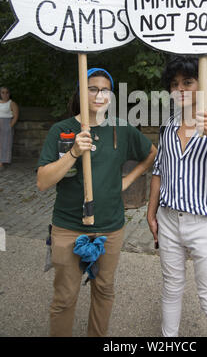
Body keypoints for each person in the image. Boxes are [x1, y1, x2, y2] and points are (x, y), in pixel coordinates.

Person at [37, 67, 157, 337]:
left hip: (110, 227)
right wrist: (73, 152)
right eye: (92, 88)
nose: (100, 94)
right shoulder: (62, 130)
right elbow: (43, 182)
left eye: (105, 89)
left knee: (104, 290)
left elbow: (151, 154)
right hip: (68, 226)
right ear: (81, 91)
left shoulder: (121, 128)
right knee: (65, 298)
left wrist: (126, 181)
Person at [147, 56, 207, 337]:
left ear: (203, 84)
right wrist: (151, 212)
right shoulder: (168, 126)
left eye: (188, 82)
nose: (180, 90)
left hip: (204, 224)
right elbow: (159, 170)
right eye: (174, 84)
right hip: (169, 220)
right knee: (171, 287)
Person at [0, 86, 19, 169]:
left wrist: (9, 126)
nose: (5, 94)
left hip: (6, 124)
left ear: (9, 93)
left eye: (7, 92)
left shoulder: (12, 103)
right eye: (3, 92)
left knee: (5, 144)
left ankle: (2, 162)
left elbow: (15, 116)